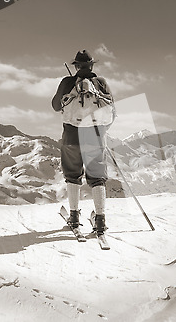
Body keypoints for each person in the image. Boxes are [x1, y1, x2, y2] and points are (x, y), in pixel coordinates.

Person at [52, 49, 114, 235]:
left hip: (71, 135)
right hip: (95, 135)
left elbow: (56, 106)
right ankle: (101, 220)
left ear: (76, 66)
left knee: (73, 174)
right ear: (92, 65)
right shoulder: (101, 83)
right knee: (97, 177)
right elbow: (112, 111)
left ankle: (74, 216)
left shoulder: (67, 82)